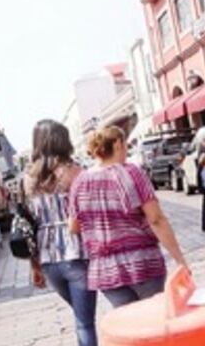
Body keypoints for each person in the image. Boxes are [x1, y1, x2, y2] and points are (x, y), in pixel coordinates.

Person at [25, 119, 108, 346]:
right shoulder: (74, 173)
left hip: (49, 261)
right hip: (77, 255)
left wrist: (35, 266)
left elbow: (27, 225)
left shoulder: (28, 179)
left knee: (81, 318)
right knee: (84, 324)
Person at [69, 125, 188, 308]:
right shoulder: (131, 173)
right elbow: (156, 219)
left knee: (131, 328)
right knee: (154, 321)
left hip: (105, 270)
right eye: (126, 145)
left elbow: (74, 227)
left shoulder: (79, 182)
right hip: (142, 263)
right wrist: (180, 259)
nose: (127, 150)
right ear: (117, 144)